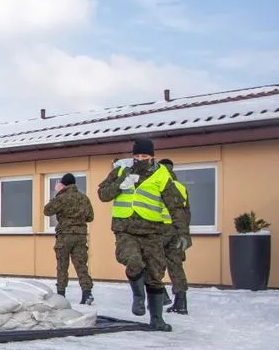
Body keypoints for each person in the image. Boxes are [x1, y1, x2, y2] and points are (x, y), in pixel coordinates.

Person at [96, 139, 188, 331]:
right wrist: (120, 184)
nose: (140, 159)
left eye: (144, 156)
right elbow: (103, 194)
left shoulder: (162, 175)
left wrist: (183, 233)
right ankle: (138, 297)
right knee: (133, 261)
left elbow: (176, 206)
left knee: (155, 274)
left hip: (153, 231)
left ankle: (156, 319)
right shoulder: (122, 171)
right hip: (125, 229)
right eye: (137, 156)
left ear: (152, 156)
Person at [42, 173, 94, 304]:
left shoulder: (61, 197)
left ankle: (61, 294)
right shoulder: (84, 198)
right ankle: (87, 293)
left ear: (63, 184)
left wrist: (58, 193)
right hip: (80, 236)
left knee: (62, 265)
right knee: (81, 265)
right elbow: (90, 217)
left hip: (64, 236)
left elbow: (47, 211)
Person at [159, 159, 192, 314]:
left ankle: (161, 296)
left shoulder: (157, 184)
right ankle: (181, 301)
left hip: (158, 229)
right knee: (176, 265)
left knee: (152, 263)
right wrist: (183, 232)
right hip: (176, 230)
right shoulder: (181, 187)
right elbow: (186, 213)